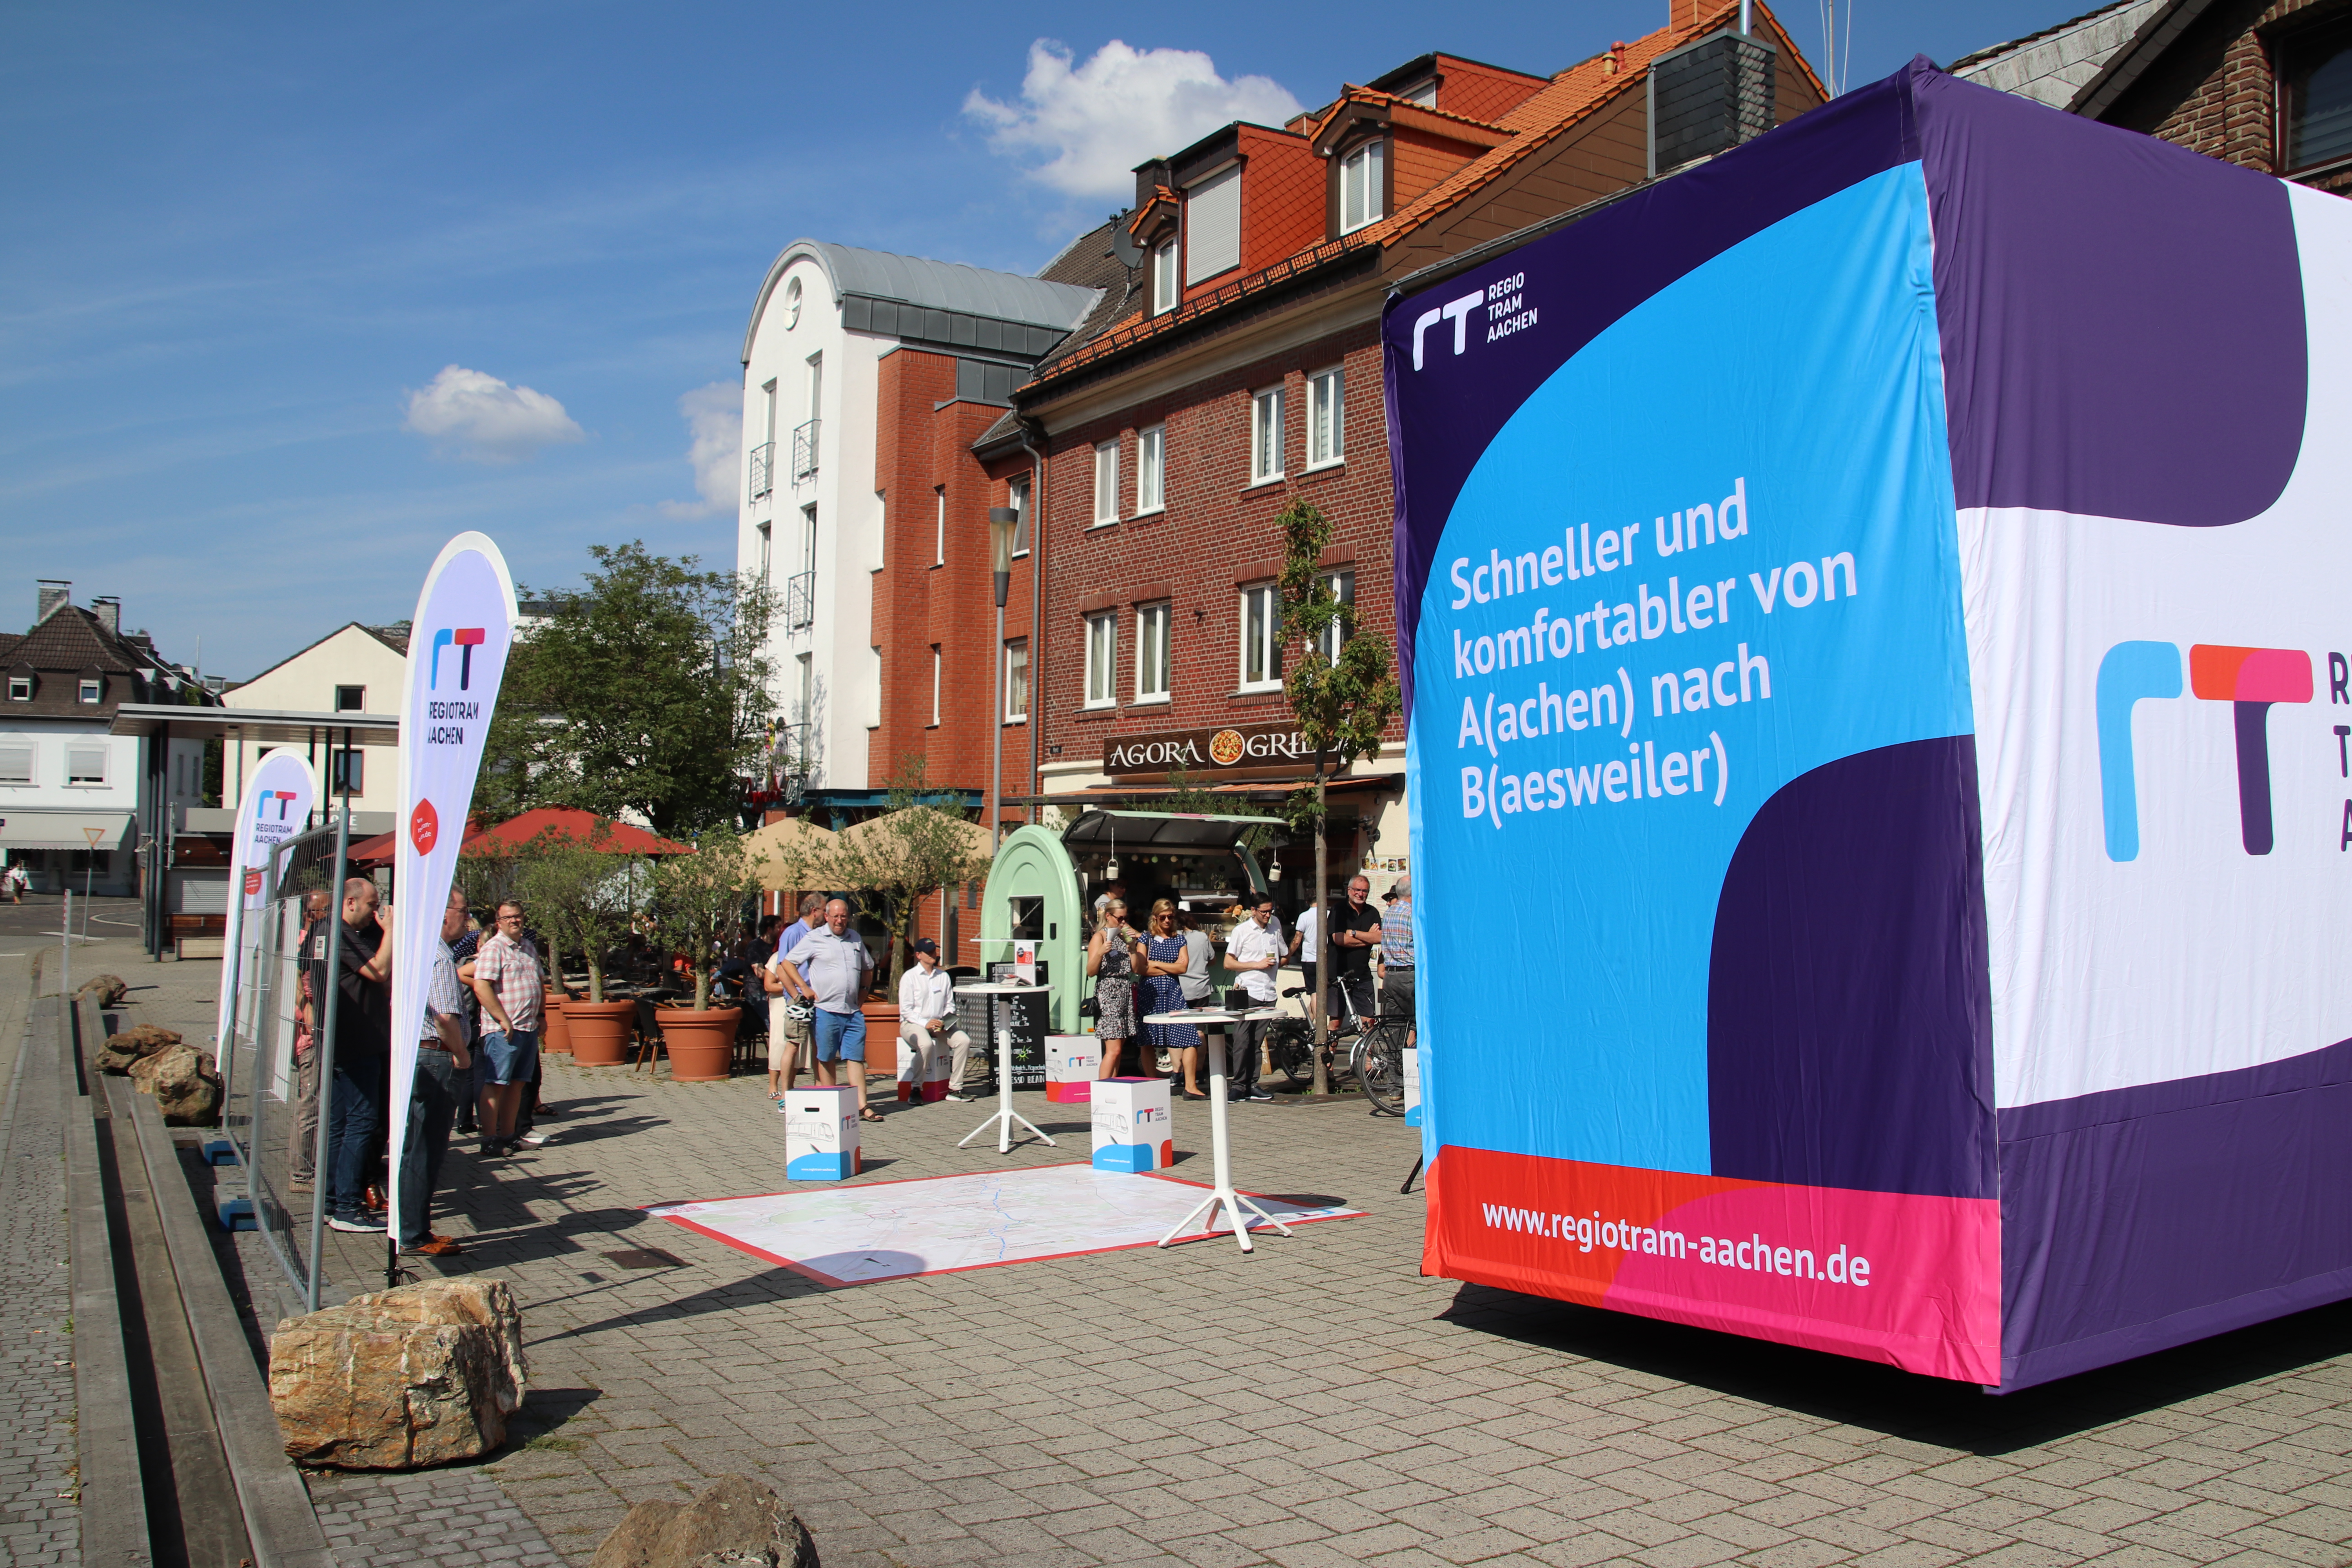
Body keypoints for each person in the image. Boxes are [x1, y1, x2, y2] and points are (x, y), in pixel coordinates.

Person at [311, 876, 393, 1232]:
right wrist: (390, 931)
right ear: (350, 903)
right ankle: (346, 1206)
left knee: (339, 1124)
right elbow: (379, 970)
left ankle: (331, 1201)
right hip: (356, 1042)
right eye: (372, 905)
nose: (376, 912)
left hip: (341, 1040)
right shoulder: (337, 934)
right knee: (362, 1121)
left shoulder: (323, 932)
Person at [397, 886, 472, 1258]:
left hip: (419, 1055)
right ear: (445, 914)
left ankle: (411, 1225)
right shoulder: (440, 958)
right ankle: (414, 1232)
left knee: (416, 1146)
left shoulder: (418, 949)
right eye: (464, 910)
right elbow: (444, 1016)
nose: (468, 918)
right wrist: (461, 1055)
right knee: (426, 1147)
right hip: (436, 1055)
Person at [469, 900, 544, 1158]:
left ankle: (509, 1135)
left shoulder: (528, 947)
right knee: (496, 1084)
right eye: (509, 918)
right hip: (504, 1031)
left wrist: (542, 1015)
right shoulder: (494, 949)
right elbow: (481, 986)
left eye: (518, 916)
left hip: (528, 1027)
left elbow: (539, 982)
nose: (515, 921)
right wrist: (502, 1019)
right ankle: (490, 1139)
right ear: (498, 922)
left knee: (517, 1085)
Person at [793, 898, 879, 1121]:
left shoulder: (856, 939)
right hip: (826, 1010)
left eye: (843, 917)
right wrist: (803, 988)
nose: (840, 921)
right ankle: (831, 1103)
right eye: (836, 917)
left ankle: (863, 1106)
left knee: (855, 1058)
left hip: (852, 1011)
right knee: (827, 1057)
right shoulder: (814, 938)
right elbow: (787, 964)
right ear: (827, 916)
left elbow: (868, 968)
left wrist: (863, 993)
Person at [761, 893, 826, 1100]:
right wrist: (795, 995)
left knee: (819, 1045)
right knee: (793, 1044)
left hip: (818, 998)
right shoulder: (793, 933)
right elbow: (782, 968)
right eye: (825, 911)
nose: (826, 916)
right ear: (815, 911)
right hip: (801, 998)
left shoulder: (819, 933)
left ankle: (821, 1090)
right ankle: (786, 1095)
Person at [288, 889, 332, 1190]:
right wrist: (308, 1014)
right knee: (311, 1101)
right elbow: (301, 988)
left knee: (316, 1101)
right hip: (312, 1035)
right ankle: (302, 1172)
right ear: (312, 913)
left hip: (314, 1030)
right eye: (325, 911)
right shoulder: (311, 942)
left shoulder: (315, 938)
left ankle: (311, 1165)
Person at [1222, 895, 1284, 1102]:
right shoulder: (1242, 931)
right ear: (1253, 910)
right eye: (1264, 912)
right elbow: (1228, 963)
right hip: (1248, 991)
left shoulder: (1275, 927)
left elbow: (1284, 956)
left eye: (1270, 911)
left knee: (1257, 1042)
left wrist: (1278, 962)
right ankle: (1238, 1085)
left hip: (1268, 992)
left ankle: (1252, 1084)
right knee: (1242, 1040)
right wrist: (1256, 965)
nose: (1268, 915)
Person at [1139, 900, 1203, 1099]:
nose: (1167, 921)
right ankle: (1151, 1085)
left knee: (1190, 1037)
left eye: (1170, 917)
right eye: (1163, 917)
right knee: (1148, 1040)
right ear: (1155, 917)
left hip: (1174, 992)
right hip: (1150, 993)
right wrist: (1170, 966)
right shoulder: (1146, 938)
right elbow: (1142, 969)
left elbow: (1183, 968)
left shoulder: (1179, 939)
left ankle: (1191, 1086)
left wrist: (1156, 963)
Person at [895, 938, 971, 1103]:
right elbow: (906, 1011)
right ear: (918, 955)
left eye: (934, 952)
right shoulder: (909, 977)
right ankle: (916, 1089)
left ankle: (955, 1088)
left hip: (939, 1025)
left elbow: (950, 1004)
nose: (933, 955)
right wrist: (925, 1023)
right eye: (928, 953)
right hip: (913, 1024)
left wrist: (946, 1021)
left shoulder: (943, 976)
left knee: (963, 1041)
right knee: (926, 1044)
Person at [1087, 897, 1142, 1078]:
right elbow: (1091, 971)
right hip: (1108, 991)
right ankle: (1102, 1090)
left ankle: (1113, 1087)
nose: (1124, 922)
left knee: (1120, 1048)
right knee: (1114, 1049)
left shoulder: (1123, 937)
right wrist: (1101, 953)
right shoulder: (1099, 937)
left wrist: (1133, 948)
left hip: (1124, 990)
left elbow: (1135, 968)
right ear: (1109, 916)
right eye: (1120, 918)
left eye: (1125, 918)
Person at [1326, 875, 1383, 1029]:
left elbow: (1379, 938)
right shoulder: (1339, 910)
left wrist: (1354, 933)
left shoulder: (1373, 912)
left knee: (1369, 1021)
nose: (1361, 894)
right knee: (1336, 1022)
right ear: (1349, 890)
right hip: (1337, 975)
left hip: (1362, 976)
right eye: (1357, 890)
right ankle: (1328, 1054)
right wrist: (1368, 938)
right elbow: (1339, 940)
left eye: (1365, 891)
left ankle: (1369, 1055)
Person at [1380, 874, 1415, 1047]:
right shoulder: (1413, 915)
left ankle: (1395, 1071)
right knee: (1422, 1021)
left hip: (1390, 976)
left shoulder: (1389, 913)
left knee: (1395, 1027)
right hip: (1409, 976)